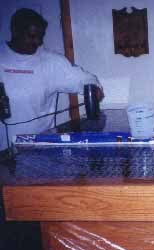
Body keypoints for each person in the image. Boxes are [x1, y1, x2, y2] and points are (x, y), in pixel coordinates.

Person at [0, 8, 104, 154]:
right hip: (3, 152)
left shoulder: (52, 62)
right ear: (15, 31)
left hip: (40, 148)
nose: (37, 42)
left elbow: (87, 79)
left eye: (40, 36)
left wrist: (95, 88)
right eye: (31, 36)